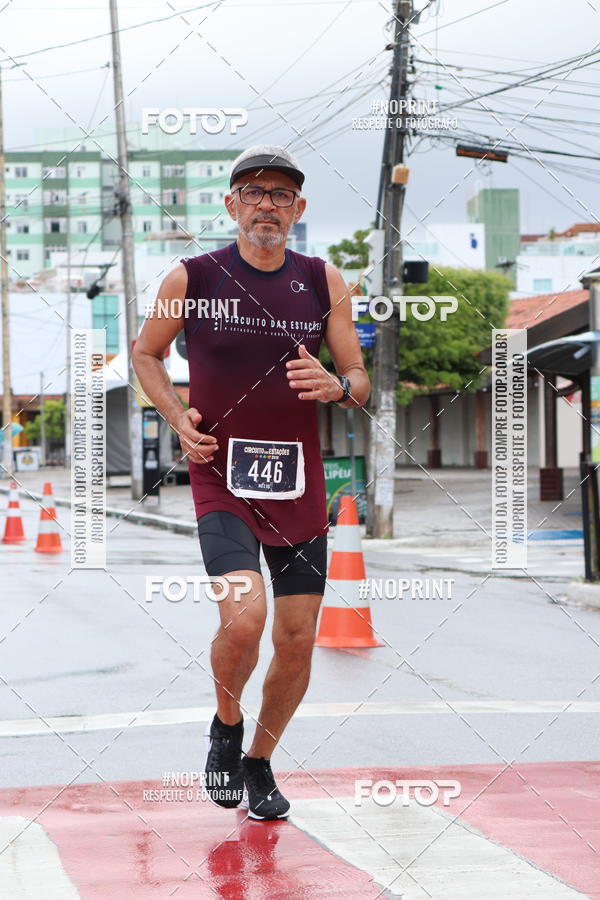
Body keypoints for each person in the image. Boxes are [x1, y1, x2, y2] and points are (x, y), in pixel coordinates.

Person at [133, 145, 370, 820]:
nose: (267, 203)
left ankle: (260, 761)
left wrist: (338, 385)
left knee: (297, 638)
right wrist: (179, 419)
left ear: (299, 209)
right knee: (245, 619)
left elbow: (359, 379)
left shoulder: (325, 281)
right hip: (222, 480)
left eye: (281, 194)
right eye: (253, 191)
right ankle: (226, 725)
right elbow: (145, 354)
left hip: (297, 489)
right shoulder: (190, 277)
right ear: (231, 205)